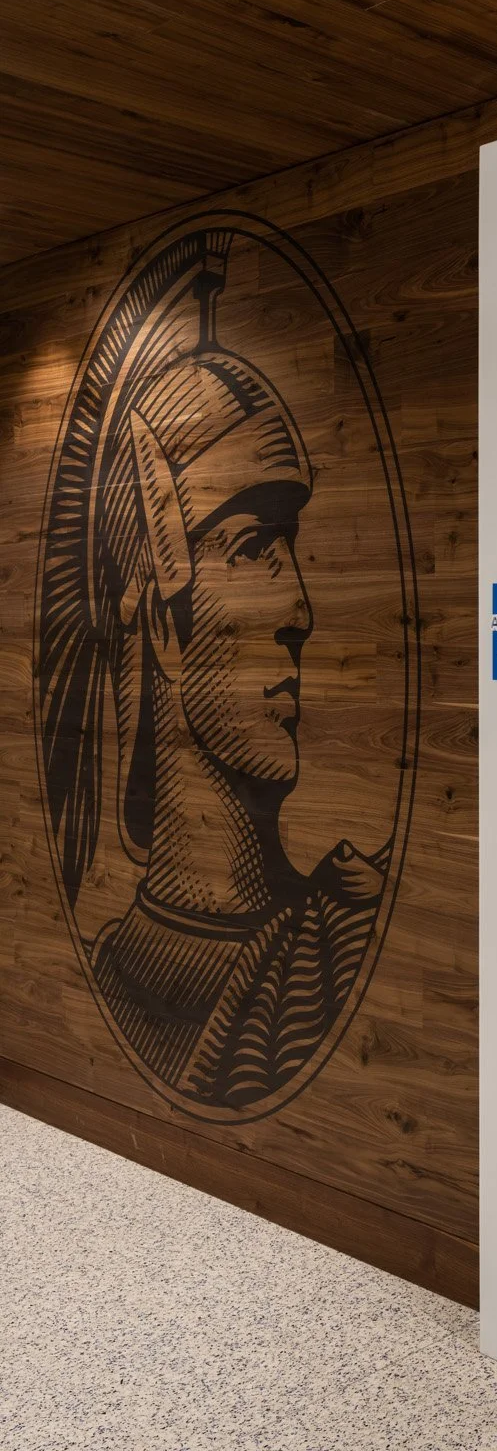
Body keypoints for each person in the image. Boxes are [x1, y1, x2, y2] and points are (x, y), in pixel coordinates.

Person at [39, 252, 383, 1113]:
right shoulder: (112, 974)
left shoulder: (340, 933)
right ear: (159, 619)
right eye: (255, 545)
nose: (302, 607)